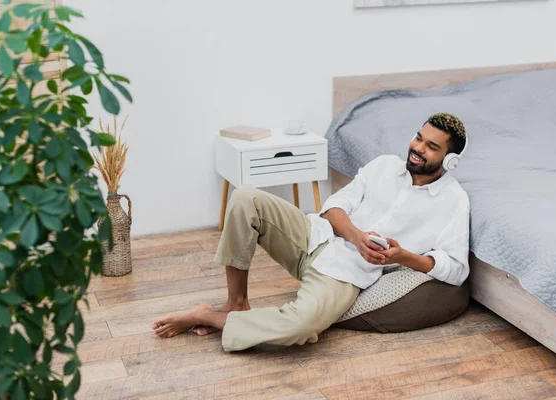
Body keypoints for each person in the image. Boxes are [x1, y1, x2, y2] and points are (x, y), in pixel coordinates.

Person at [151, 112, 470, 352]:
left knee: (300, 326)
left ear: (450, 160)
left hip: (348, 274)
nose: (417, 148)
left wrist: (404, 256)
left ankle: (212, 317)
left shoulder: (453, 202)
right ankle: (236, 303)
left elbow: (455, 269)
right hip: (314, 236)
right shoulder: (384, 165)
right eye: (418, 138)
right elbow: (332, 208)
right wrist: (357, 237)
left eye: (431, 147)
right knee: (246, 197)